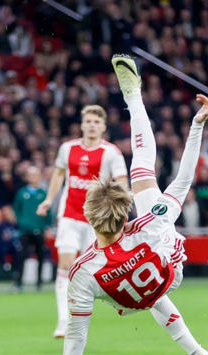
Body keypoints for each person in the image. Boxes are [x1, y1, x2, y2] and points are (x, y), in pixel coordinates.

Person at [39, 56, 208, 355]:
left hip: (130, 297)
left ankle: (199, 353)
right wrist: (197, 126)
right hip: (168, 265)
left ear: (90, 220)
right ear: (125, 214)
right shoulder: (147, 224)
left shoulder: (84, 270)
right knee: (142, 165)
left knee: (137, 292)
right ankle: (133, 98)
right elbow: (184, 180)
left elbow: (77, 336)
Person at [36, 104, 128, 338]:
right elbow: (58, 174)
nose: (92, 125)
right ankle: (63, 321)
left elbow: (121, 182)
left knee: (91, 270)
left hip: (96, 219)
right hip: (69, 215)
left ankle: (83, 316)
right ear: (82, 124)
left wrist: (121, 210)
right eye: (88, 121)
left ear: (103, 126)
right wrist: (49, 200)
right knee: (65, 266)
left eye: (96, 122)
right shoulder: (67, 148)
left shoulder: (111, 153)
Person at [13, 166, 51, 290]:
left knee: (41, 255)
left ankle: (39, 283)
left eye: (35, 175)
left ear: (39, 177)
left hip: (39, 230)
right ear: (27, 177)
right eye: (30, 175)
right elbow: (16, 209)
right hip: (25, 230)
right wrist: (21, 222)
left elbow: (48, 212)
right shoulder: (22, 193)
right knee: (21, 255)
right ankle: (18, 282)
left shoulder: (43, 193)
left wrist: (47, 226)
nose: (33, 177)